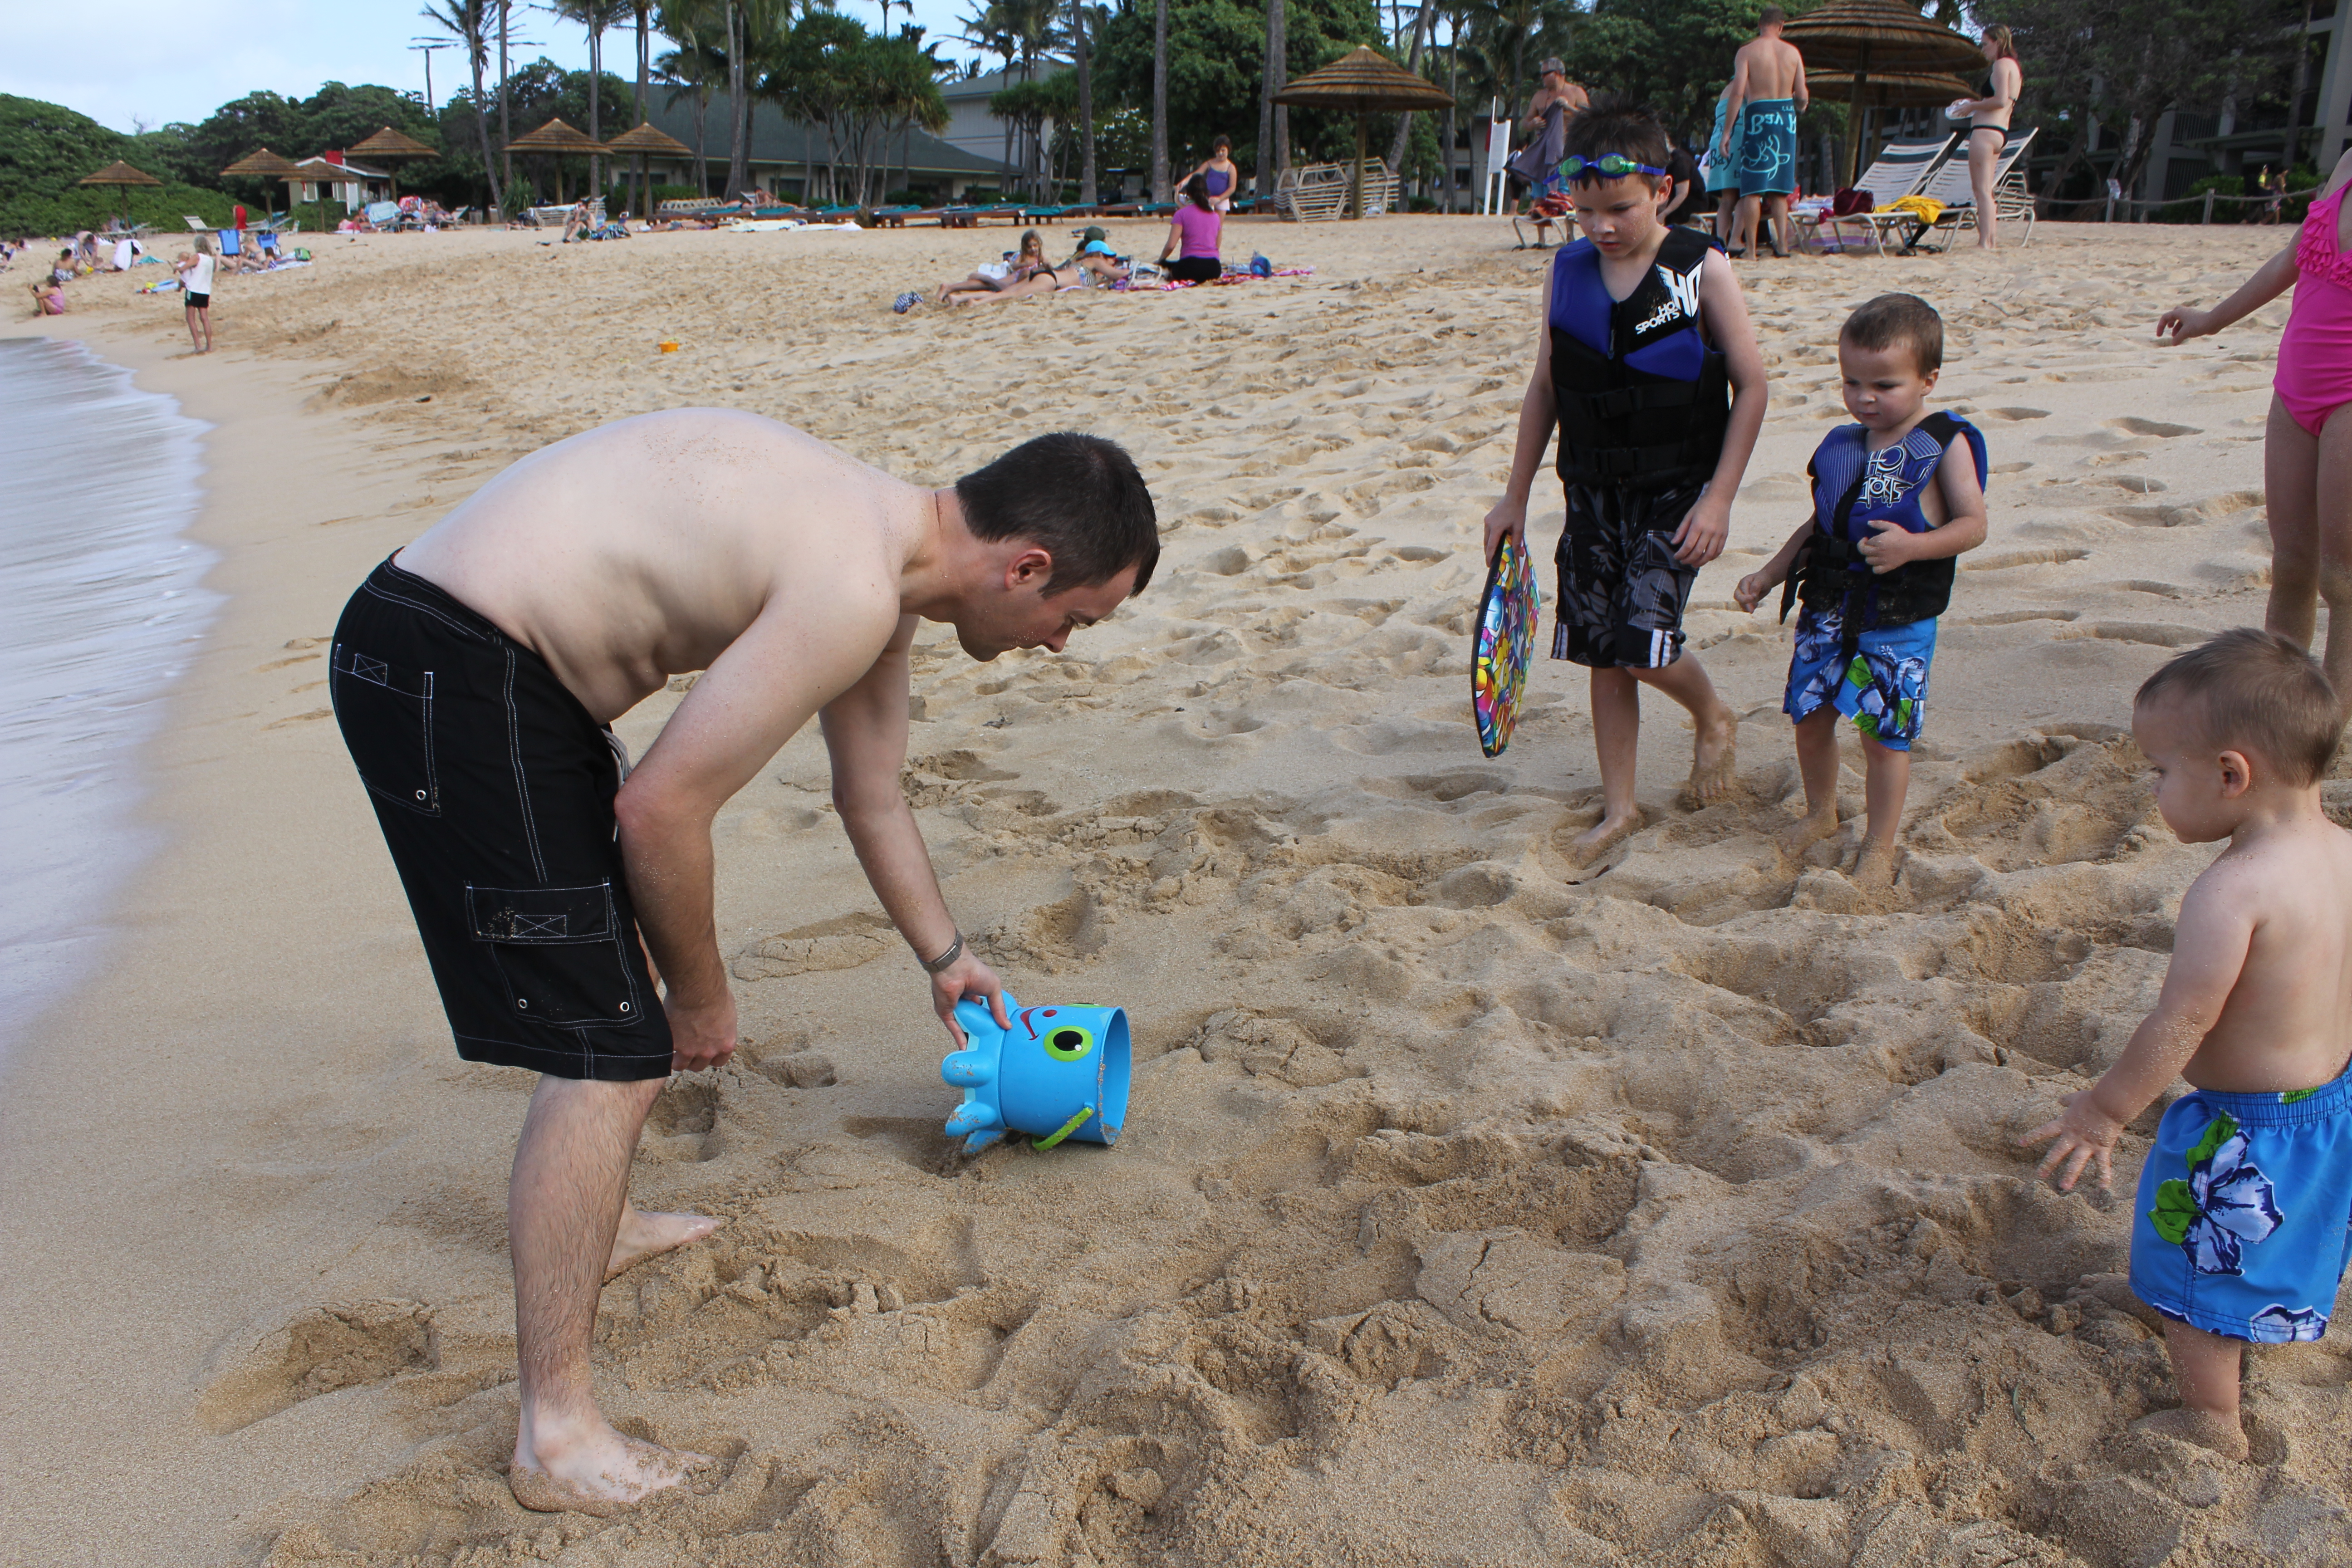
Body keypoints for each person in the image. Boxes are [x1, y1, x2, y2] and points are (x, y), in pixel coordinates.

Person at [328, 416, 1158, 1514]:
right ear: (1027, 566)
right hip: (451, 667)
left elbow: (871, 793)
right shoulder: (853, 584)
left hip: (486, 665)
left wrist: (946, 956)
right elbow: (662, 807)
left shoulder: (885, 560)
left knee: (607, 974)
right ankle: (556, 1436)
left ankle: (600, 1224)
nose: (1059, 642)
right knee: (611, 1049)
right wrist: (703, 993)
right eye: (1073, 619)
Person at [2021, 630, 2352, 1462]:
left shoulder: (2230, 890)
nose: (2153, 789)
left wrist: (2103, 1110)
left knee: (2206, 1283)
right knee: (2259, 1246)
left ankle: (2213, 1419)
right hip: (2325, 1107)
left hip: (2244, 1127)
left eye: (2159, 772)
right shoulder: (2341, 853)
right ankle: (2177, 1290)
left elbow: (2183, 1021)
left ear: (2229, 774)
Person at [1482, 101, 1765, 864]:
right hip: (1591, 490)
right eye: (1583, 212)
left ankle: (1710, 713)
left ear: (1662, 191)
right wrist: (1513, 496)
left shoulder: (1701, 267)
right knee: (1601, 654)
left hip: (1677, 490)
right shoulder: (1566, 269)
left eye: (1618, 210)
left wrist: (1719, 498)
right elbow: (1545, 387)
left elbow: (1753, 387)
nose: (1600, 227)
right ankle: (1619, 808)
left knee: (1641, 643)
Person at [1730, 294, 1990, 887]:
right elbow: (1819, 525)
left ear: (1929, 381)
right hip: (1825, 608)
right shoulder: (1843, 445)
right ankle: (1822, 813)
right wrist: (1769, 574)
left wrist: (1912, 547)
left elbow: (1973, 525)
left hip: (1895, 619)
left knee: (1883, 736)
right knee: (1811, 718)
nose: (1865, 397)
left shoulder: (1944, 446)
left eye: (1885, 384)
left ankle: (1879, 841)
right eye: (1852, 382)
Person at [2159, 148, 2352, 720]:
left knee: (2343, 577)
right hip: (2295, 388)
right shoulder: (2347, 162)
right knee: (2293, 562)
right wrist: (2211, 318)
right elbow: (2291, 259)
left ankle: (2333, 718)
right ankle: (2277, 705)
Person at [1720, 6, 1808, 260]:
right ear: (1781, 26)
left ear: (1760, 25)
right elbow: (1802, 95)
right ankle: (1782, 245)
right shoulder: (1793, 53)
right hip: (1785, 119)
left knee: (1752, 189)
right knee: (1781, 189)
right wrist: (1800, 107)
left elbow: (1738, 93)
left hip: (1758, 116)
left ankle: (1750, 249)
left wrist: (1727, 132)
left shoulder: (1747, 52)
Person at [1946, 24, 2023, 250]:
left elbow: (1999, 100)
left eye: (1985, 44)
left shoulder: (2001, 65)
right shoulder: (2015, 68)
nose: (1984, 49)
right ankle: (1990, 240)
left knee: (1981, 190)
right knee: (1986, 190)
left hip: (1986, 132)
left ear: (1997, 42)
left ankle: (1984, 242)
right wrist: (1973, 105)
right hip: (2000, 133)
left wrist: (1972, 107)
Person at [1509, 59, 1589, 245]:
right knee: (1540, 194)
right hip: (1543, 154)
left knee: (1563, 194)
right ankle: (1541, 239)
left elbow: (1589, 117)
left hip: (1567, 151)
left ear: (1559, 73)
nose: (1543, 78)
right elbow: (1526, 122)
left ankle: (1570, 237)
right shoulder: (1539, 96)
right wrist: (1533, 124)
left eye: (1546, 73)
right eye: (1542, 74)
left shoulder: (1576, 92)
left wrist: (1568, 108)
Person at [1702, 82, 1744, 247]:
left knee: (1728, 198)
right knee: (1746, 193)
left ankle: (1720, 240)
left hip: (1719, 138)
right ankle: (1735, 240)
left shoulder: (1727, 87)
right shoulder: (1747, 84)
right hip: (1737, 137)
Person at [1159, 182, 1223, 284]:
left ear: (1188, 194)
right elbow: (1217, 245)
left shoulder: (1181, 214)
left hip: (1189, 267)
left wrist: (1161, 259)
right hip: (1214, 269)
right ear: (1207, 193)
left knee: (1171, 267)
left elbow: (1171, 245)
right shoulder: (1215, 216)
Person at [176, 237, 215, 354]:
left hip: (193, 289)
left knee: (190, 318)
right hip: (205, 290)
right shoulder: (210, 259)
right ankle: (209, 345)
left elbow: (183, 268)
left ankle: (198, 345)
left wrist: (176, 268)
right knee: (204, 318)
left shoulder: (197, 257)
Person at [1182, 136, 1241, 212]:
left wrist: (1220, 198)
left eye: (1223, 150)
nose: (1220, 153)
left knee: (1218, 224)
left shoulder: (1231, 167)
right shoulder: (1209, 163)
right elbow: (1196, 174)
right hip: (1207, 199)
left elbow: (1232, 188)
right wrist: (1184, 182)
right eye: (1218, 151)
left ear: (1228, 150)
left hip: (1222, 200)